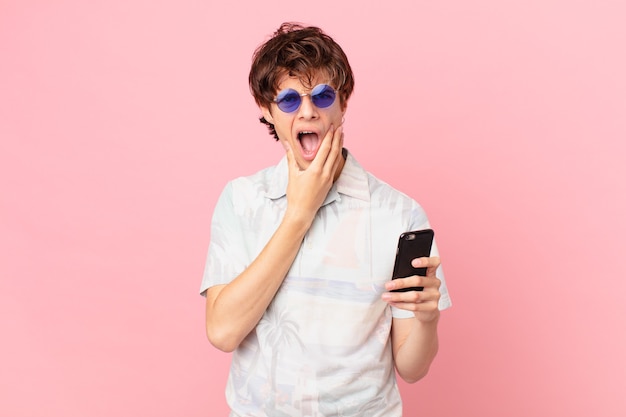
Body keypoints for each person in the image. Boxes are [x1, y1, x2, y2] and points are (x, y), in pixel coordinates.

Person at [200, 22, 451, 416]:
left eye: (322, 95)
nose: (308, 111)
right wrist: (299, 213)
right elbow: (223, 331)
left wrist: (427, 316)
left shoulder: (400, 214)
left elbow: (412, 368)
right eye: (288, 100)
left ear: (343, 102)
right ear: (267, 110)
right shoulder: (242, 200)